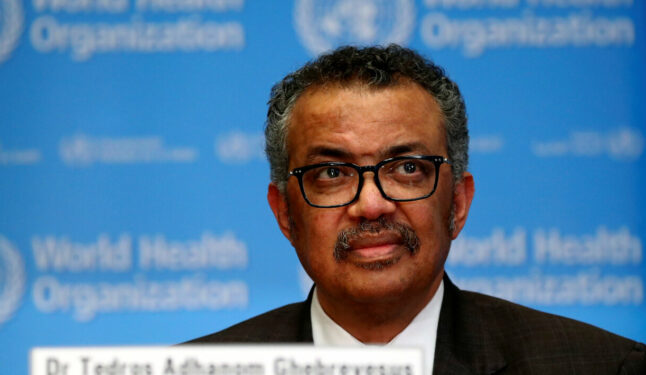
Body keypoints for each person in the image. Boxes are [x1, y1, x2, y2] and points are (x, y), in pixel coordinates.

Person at [190, 45, 645, 374]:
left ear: (459, 203)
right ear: (285, 214)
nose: (371, 205)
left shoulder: (602, 365)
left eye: (407, 168)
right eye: (332, 174)